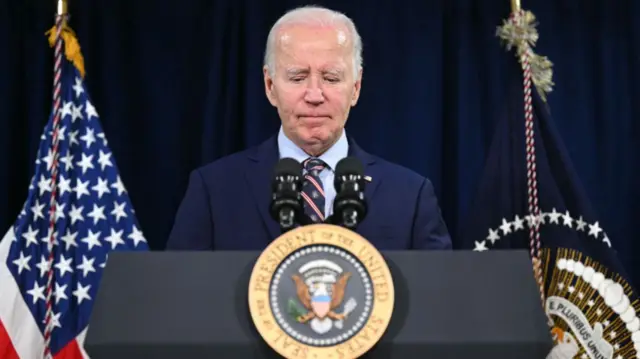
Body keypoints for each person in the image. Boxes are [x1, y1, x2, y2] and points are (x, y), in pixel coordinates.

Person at [166, 5, 451, 251]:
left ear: (356, 87)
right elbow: (182, 297)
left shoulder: (411, 196)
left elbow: (438, 299)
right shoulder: (213, 190)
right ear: (270, 86)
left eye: (330, 77)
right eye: (298, 77)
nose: (315, 95)